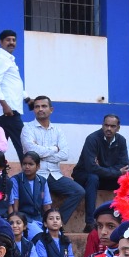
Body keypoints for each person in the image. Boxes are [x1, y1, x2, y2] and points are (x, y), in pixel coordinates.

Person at [19, 95, 84, 228]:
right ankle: (39, 226)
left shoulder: (58, 131)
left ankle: (57, 223)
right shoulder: (27, 129)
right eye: (37, 107)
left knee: (79, 191)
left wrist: (41, 154)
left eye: (44, 106)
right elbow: (31, 151)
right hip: (36, 174)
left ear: (51, 109)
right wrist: (54, 149)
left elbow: (64, 154)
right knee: (35, 197)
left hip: (55, 175)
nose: (40, 109)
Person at [76, 114, 129, 217]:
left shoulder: (121, 140)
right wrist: (117, 172)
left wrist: (102, 169)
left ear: (118, 128)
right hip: (85, 178)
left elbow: (124, 165)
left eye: (112, 126)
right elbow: (91, 168)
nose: (109, 128)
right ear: (102, 125)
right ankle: (90, 221)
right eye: (106, 125)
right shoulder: (92, 139)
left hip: (107, 177)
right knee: (93, 178)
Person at [0, 29, 28, 159]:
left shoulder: (9, 59)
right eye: (8, 40)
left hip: (8, 111)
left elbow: (12, 84)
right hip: (7, 112)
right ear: (0, 42)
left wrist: (27, 98)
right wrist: (5, 106)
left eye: (13, 40)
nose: (11, 42)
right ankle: (28, 172)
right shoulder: (1, 59)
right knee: (24, 147)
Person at [13, 152, 52, 239]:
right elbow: (15, 206)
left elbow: (47, 206)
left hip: (39, 218)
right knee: (39, 235)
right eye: (24, 164)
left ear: (38, 166)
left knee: (56, 234)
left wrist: (50, 221)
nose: (27, 167)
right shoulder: (16, 180)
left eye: (30, 164)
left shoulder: (42, 181)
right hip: (24, 219)